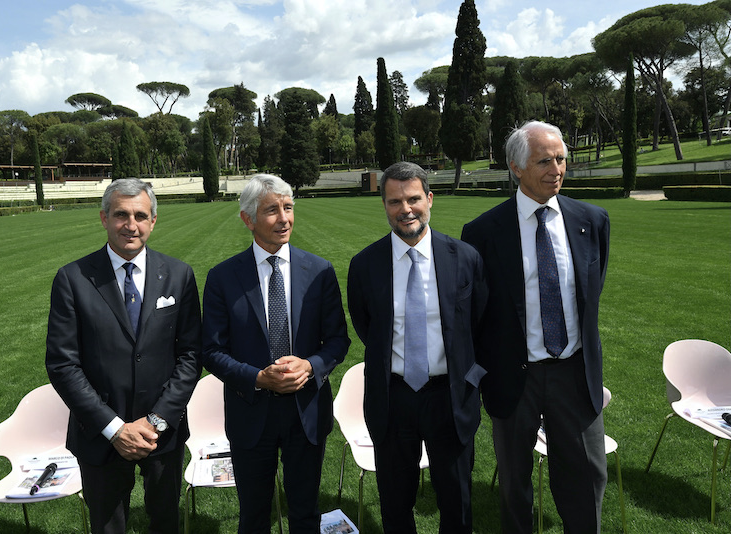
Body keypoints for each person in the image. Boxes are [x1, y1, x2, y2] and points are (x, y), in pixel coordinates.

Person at [462, 121, 610, 533]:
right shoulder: (482, 233)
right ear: (517, 167)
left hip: (574, 374)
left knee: (587, 477)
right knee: (514, 486)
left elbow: (590, 294)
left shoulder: (592, 221)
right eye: (545, 161)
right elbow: (476, 313)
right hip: (514, 378)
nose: (557, 169)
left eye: (561, 159)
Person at [46, 178, 202, 534]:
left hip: (163, 433)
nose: (131, 225)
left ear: (153, 221)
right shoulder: (72, 278)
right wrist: (115, 429)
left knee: (165, 522)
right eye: (121, 215)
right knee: (107, 527)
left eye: (140, 215)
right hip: (100, 432)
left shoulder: (178, 275)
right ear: (103, 218)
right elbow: (62, 363)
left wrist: (156, 421)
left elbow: (191, 356)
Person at [201, 174, 349, 533]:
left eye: (288, 207)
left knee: (305, 512)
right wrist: (257, 377)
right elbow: (211, 350)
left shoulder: (319, 271)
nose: (284, 218)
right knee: (253, 515)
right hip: (251, 414)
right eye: (272, 210)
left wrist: (310, 366)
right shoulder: (223, 278)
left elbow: (337, 341)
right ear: (248, 219)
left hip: (306, 412)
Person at [347, 161, 487, 533]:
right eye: (394, 201)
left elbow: (477, 323)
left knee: (456, 503)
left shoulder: (465, 258)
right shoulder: (364, 265)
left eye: (413, 199)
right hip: (393, 399)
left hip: (450, 397)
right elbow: (367, 325)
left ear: (429, 199)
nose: (405, 209)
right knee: (395, 503)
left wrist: (470, 378)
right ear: (385, 206)